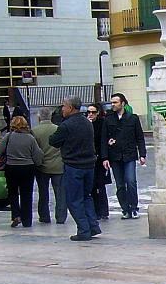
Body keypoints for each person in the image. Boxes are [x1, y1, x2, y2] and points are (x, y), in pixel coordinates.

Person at [50, 96, 100, 242]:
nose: (62, 109)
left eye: (64, 106)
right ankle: (93, 226)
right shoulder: (87, 122)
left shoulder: (66, 125)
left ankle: (84, 230)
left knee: (74, 199)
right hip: (89, 165)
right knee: (86, 196)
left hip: (74, 165)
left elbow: (53, 141)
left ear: (71, 108)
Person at [102, 93, 147, 220]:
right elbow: (104, 139)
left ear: (123, 103)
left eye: (115, 102)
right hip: (115, 156)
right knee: (120, 185)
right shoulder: (108, 119)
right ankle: (125, 208)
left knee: (131, 181)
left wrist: (142, 154)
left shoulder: (132, 118)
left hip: (129, 155)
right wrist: (105, 157)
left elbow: (140, 137)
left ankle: (134, 208)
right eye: (112, 102)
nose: (113, 105)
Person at [0, 116, 43, 228]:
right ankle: (27, 220)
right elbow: (37, 155)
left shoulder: (9, 136)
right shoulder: (30, 138)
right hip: (27, 168)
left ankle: (16, 215)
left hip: (11, 168)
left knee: (13, 193)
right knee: (27, 194)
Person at [32, 108, 66, 225]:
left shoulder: (34, 131)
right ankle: (61, 217)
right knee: (60, 193)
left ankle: (44, 216)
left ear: (39, 117)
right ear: (51, 116)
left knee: (43, 192)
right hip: (58, 165)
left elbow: (34, 150)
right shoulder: (58, 129)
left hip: (42, 166)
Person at [86, 103, 111, 220]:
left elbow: (103, 140)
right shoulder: (85, 124)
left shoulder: (102, 124)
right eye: (89, 112)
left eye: (93, 112)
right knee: (91, 185)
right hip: (89, 159)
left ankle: (103, 210)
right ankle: (95, 211)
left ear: (98, 113)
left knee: (100, 185)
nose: (90, 114)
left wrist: (105, 157)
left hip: (100, 158)